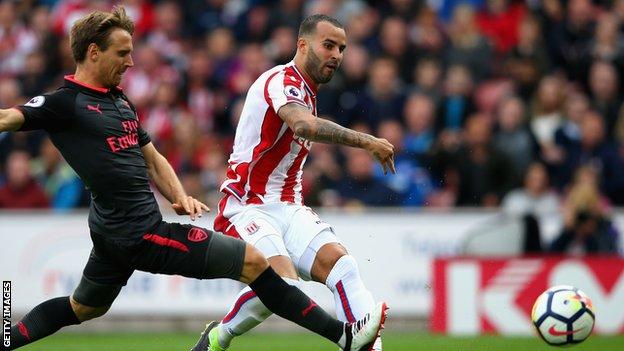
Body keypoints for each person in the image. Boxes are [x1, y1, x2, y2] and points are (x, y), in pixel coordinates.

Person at [0, 7, 386, 351]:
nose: (131, 62)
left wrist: (179, 196)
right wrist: (366, 142)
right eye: (123, 53)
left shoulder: (119, 101)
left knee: (81, 307)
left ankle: (4, 336)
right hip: (141, 234)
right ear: (93, 52)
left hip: (112, 233)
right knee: (255, 263)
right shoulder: (64, 103)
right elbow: (8, 117)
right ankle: (343, 337)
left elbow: (153, 158)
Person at [195, 14, 395, 351]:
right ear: (302, 45)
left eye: (342, 48)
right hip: (247, 206)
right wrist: (367, 141)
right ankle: (219, 336)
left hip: (289, 205)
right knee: (282, 283)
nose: (337, 55)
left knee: (342, 265)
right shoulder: (281, 80)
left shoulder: (309, 91)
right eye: (328, 45)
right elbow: (303, 126)